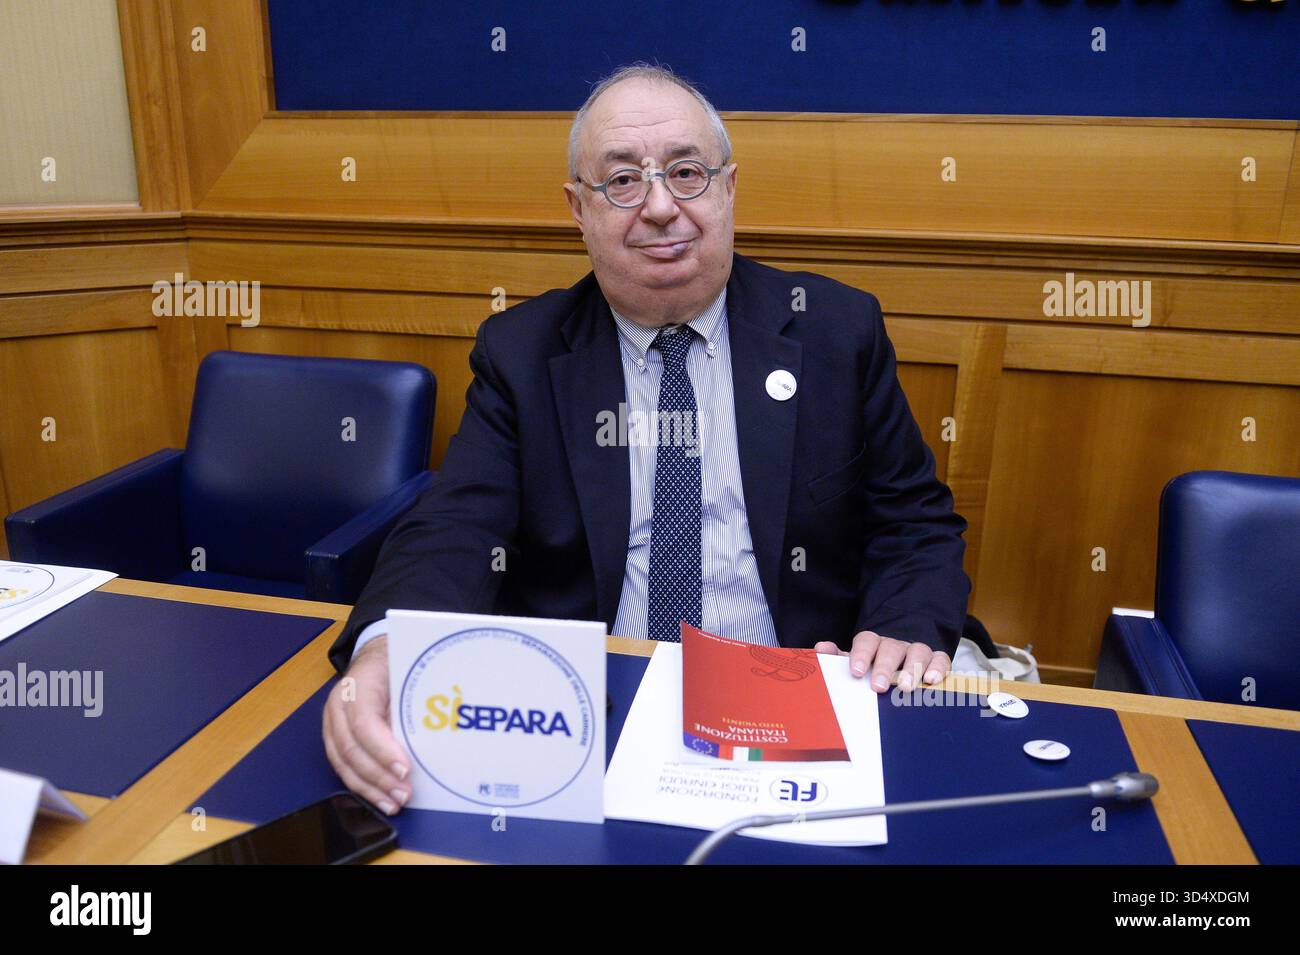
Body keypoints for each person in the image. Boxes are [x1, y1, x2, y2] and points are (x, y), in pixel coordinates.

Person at [322, 63, 970, 815]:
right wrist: (384, 646)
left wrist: (902, 625)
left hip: (800, 692)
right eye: (623, 181)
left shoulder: (835, 331)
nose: (662, 207)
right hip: (597, 701)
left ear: (729, 189)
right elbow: (455, 528)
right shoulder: (522, 353)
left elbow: (915, 522)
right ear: (578, 208)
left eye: (687, 173)